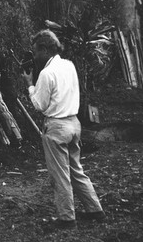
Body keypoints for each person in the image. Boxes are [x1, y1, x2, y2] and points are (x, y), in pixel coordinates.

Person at [21, 30, 105, 231]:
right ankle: (95, 209)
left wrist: (30, 85)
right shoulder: (69, 66)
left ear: (44, 49)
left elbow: (39, 105)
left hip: (57, 126)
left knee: (60, 174)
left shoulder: (46, 74)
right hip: (74, 124)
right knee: (76, 169)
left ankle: (66, 218)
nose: (34, 56)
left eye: (35, 52)